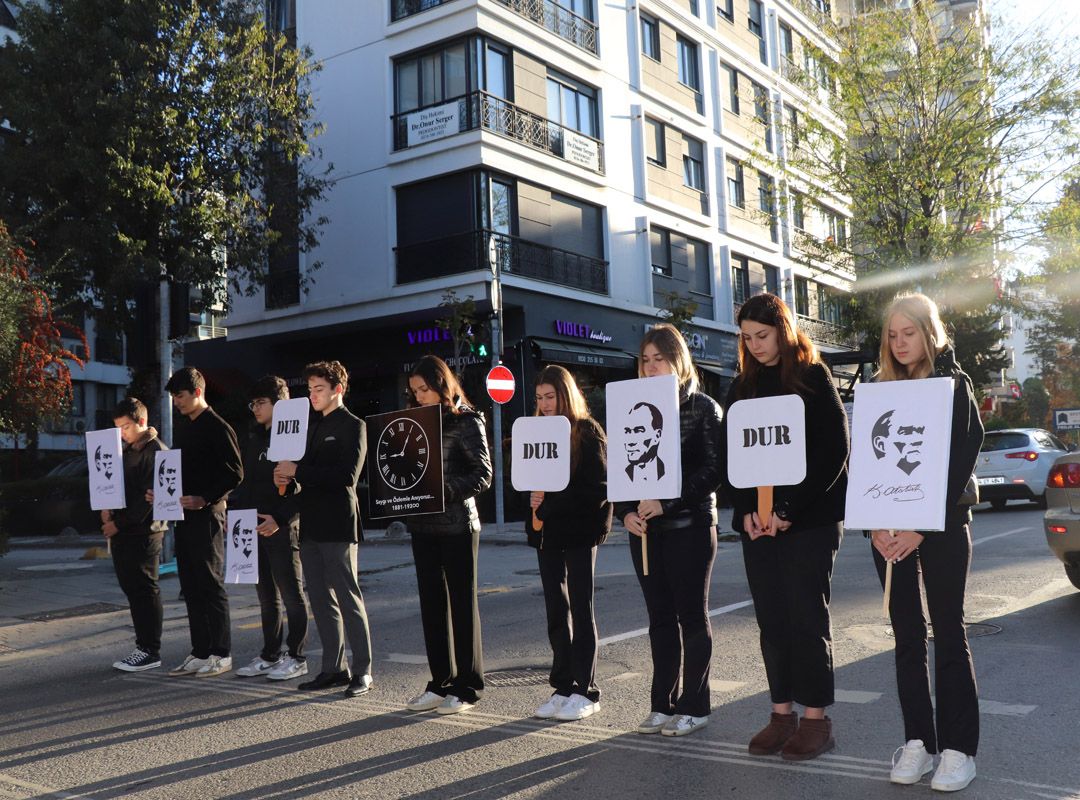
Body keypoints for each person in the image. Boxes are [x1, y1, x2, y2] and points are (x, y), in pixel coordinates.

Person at [720, 293, 848, 762]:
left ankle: (816, 722)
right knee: (772, 622)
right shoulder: (740, 388)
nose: (755, 345)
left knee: (806, 620)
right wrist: (746, 513)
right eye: (747, 337)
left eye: (763, 335)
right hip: (760, 527)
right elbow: (731, 457)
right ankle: (781, 716)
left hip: (810, 523)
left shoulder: (813, 378)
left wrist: (789, 509)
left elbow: (835, 452)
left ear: (783, 331)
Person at [870, 294, 983, 791]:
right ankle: (918, 741)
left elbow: (964, 454)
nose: (899, 343)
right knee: (906, 639)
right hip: (889, 533)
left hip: (940, 528)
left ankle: (959, 750)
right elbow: (866, 463)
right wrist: (874, 523)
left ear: (929, 333)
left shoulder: (954, 385)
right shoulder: (878, 388)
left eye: (908, 333)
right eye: (892, 335)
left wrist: (924, 524)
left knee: (948, 635)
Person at [614, 322, 723, 738]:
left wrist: (667, 501)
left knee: (691, 616)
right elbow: (622, 468)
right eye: (646, 359)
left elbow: (714, 471)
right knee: (659, 619)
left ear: (678, 359)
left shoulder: (703, 408)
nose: (652, 366)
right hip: (645, 531)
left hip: (690, 525)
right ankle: (662, 703)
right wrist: (625, 511)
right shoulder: (629, 408)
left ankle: (696, 705)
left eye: (660, 358)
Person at [274, 360, 374, 698]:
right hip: (311, 523)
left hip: (339, 523)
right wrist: (286, 480)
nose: (313, 395)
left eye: (319, 389)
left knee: (348, 599)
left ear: (337, 390)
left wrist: (298, 470)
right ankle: (333, 669)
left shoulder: (353, 425)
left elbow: (347, 476)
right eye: (311, 389)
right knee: (320, 599)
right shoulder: (310, 427)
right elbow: (305, 478)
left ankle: (363, 671)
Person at [403, 355, 492, 716]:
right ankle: (440, 682)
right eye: (414, 391)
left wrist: (442, 489)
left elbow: (483, 474)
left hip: (457, 524)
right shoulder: (413, 423)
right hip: (422, 525)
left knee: (461, 604)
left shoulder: (466, 421)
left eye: (424, 389)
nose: (419, 396)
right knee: (431, 606)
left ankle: (468, 686)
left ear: (442, 384)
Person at [528, 365, 611, 721]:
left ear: (566, 394)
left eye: (551, 396)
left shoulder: (587, 431)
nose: (545, 404)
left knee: (581, 607)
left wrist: (547, 506)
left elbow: (597, 490)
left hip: (580, 531)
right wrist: (534, 518)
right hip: (547, 534)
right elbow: (528, 483)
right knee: (555, 612)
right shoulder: (535, 432)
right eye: (539, 398)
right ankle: (562, 686)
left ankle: (585, 690)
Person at [154, 367, 243, 678]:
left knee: (210, 583)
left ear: (197, 393)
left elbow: (235, 472)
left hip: (208, 515)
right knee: (190, 586)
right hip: (184, 516)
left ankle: (222, 652)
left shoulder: (218, 426)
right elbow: (179, 471)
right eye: (174, 397)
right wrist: (163, 493)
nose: (176, 402)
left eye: (180, 396)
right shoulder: (185, 426)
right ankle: (200, 651)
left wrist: (205, 497)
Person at [232, 375, 310, 681]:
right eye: (253, 403)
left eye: (261, 402)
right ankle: (269, 653)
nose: (255, 409)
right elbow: (246, 485)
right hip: (252, 527)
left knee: (291, 593)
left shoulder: (295, 437)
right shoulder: (253, 438)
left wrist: (280, 519)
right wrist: (237, 516)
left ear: (281, 403)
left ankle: (297, 656)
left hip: (281, 527)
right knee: (266, 596)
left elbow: (303, 489)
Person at [103, 397, 168, 672]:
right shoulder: (127, 450)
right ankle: (143, 646)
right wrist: (106, 512)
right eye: (118, 428)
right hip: (124, 531)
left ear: (141, 422)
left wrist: (119, 523)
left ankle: (149, 650)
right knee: (133, 588)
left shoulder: (156, 451)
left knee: (144, 588)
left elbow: (148, 501)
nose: (122, 434)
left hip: (145, 531)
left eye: (126, 427)